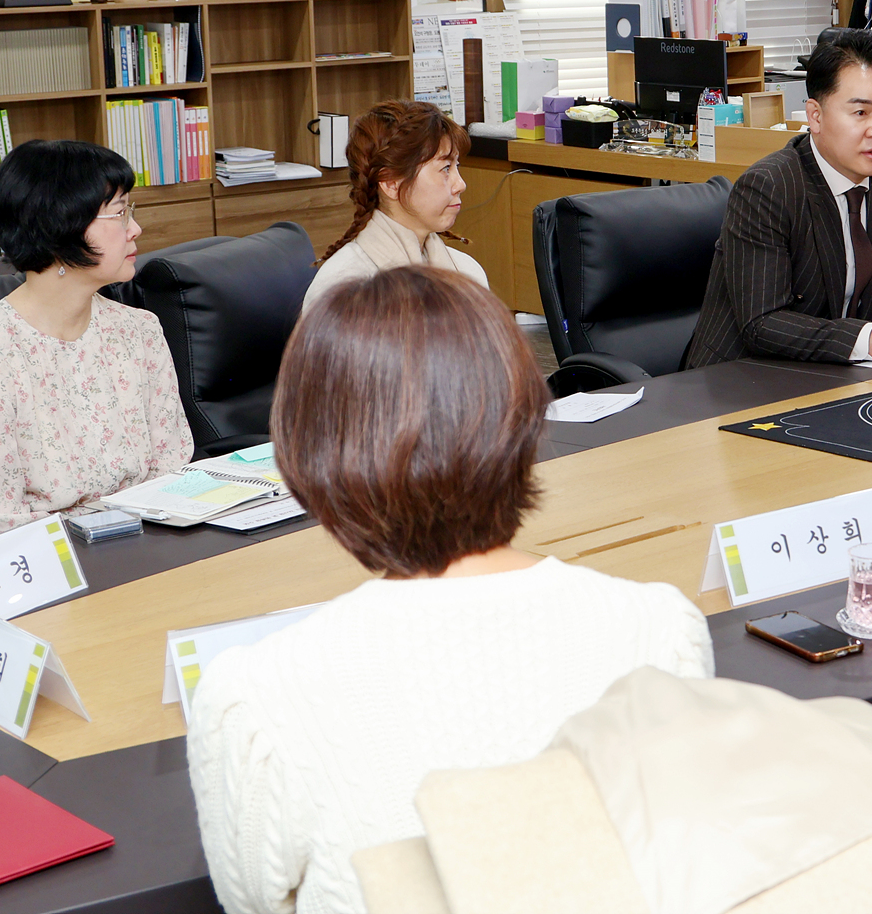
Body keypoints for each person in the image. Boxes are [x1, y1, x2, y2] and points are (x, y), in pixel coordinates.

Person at [188, 267, 712, 914]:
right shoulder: (662, 630)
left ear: (308, 452)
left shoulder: (254, 699)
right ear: (523, 414)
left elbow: (253, 903)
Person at [0, 140, 189, 551]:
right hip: (25, 572)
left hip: (136, 551)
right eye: (121, 213)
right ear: (62, 227)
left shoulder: (139, 331)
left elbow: (170, 469)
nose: (135, 228)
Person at [685, 30, 872, 367]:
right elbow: (762, 323)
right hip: (742, 380)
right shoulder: (768, 188)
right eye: (861, 113)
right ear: (815, 116)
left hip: (841, 373)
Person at [304, 100, 486, 312]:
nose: (460, 185)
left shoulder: (467, 273)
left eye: (457, 166)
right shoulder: (344, 289)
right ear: (390, 182)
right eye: (445, 168)